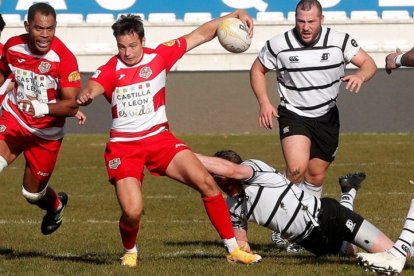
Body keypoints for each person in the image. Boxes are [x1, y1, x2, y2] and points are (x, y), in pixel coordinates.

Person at [76, 11, 262, 267]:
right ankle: (130, 250)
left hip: (160, 140)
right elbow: (94, 85)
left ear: (143, 40)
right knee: (132, 211)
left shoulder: (160, 56)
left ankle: (233, 249)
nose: (127, 52)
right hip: (124, 147)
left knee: (207, 182)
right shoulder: (110, 69)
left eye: (132, 46)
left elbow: (200, 34)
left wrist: (234, 15)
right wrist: (88, 94)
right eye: (121, 47)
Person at [249, 0, 377, 251]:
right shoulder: (279, 44)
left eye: (311, 21)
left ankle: (306, 228)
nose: (305, 27)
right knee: (296, 170)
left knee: (315, 177)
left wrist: (361, 75)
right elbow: (257, 69)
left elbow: (369, 64)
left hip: (327, 116)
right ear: (295, 19)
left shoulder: (340, 40)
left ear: (322, 20)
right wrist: (264, 102)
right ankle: (282, 228)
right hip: (293, 114)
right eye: (300, 21)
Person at [196, 150, 414, 274]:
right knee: (353, 258)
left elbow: (231, 169)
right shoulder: (232, 207)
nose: (214, 181)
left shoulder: (254, 170)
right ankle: (348, 189)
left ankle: (348, 194)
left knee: (398, 256)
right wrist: (243, 256)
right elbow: (242, 243)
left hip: (329, 216)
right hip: (311, 242)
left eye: (216, 175)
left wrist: (183, 153)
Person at [0, 3, 82, 235]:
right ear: (27, 26)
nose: (45, 35)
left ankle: (56, 205)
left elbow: (71, 104)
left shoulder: (64, 58)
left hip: (46, 134)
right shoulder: (13, 46)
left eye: (50, 29)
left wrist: (41, 107)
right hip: (15, 119)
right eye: (38, 29)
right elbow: (5, 72)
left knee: (32, 194)